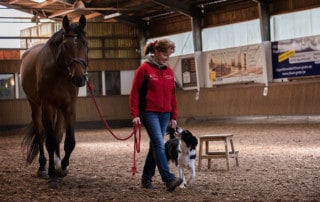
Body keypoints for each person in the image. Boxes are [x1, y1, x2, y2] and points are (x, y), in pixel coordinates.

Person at [129, 39, 182, 192]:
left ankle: (146, 179)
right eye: (165, 54)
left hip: (165, 113)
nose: (167, 58)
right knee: (159, 143)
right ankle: (168, 179)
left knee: (155, 145)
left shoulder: (169, 72)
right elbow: (134, 93)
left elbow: (173, 96)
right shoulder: (144, 69)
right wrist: (135, 114)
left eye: (169, 55)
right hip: (149, 112)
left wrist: (174, 116)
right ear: (157, 52)